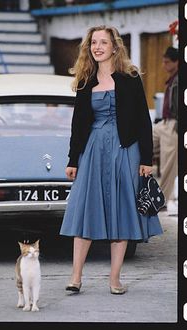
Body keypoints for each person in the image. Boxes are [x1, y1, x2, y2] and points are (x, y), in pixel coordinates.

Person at [59, 25, 163, 295]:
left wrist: (146, 158)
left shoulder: (129, 79)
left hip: (125, 150)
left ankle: (114, 278)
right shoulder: (85, 80)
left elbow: (143, 120)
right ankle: (75, 277)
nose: (98, 47)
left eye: (103, 42)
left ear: (115, 47)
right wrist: (73, 159)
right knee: (85, 210)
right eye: (94, 42)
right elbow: (78, 124)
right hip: (93, 150)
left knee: (122, 212)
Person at [152, 46, 178, 215]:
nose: (163, 65)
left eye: (167, 62)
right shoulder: (173, 78)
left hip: (175, 124)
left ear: (177, 62)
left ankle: (161, 200)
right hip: (164, 122)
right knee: (144, 140)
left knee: (168, 163)